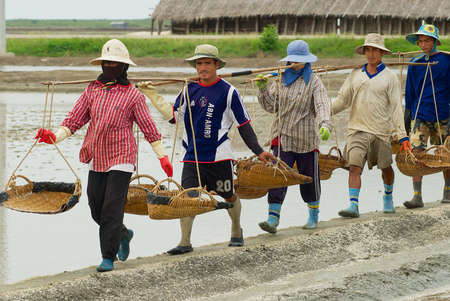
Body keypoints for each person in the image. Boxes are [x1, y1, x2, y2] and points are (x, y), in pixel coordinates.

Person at [35, 39, 173, 272]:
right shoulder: (92, 90)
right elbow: (74, 120)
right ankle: (123, 233)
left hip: (122, 156)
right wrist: (54, 136)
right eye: (106, 62)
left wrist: (162, 156)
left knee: (111, 207)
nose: (109, 65)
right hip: (97, 156)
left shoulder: (133, 95)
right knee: (96, 207)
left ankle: (107, 256)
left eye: (114, 63)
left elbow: (148, 127)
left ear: (123, 67)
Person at [138, 44, 275, 255]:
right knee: (187, 198)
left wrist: (258, 151)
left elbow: (244, 125)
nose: (202, 67)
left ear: (217, 65)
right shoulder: (188, 88)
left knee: (228, 195)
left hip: (219, 156)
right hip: (192, 156)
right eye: (199, 63)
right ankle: (185, 241)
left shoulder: (229, 92)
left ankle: (236, 230)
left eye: (207, 63)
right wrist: (152, 94)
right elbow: (173, 117)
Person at [331, 33, 411, 218]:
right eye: (368, 50)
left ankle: (388, 195)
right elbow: (343, 101)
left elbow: (396, 107)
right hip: (357, 129)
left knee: (386, 168)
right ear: (365, 52)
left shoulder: (390, 77)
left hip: (381, 131)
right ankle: (353, 205)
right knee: (354, 166)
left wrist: (402, 135)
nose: (371, 54)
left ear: (381, 53)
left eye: (375, 50)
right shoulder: (355, 75)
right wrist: (322, 112)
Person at [255, 40, 331, 232]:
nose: (294, 63)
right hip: (283, 137)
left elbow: (322, 104)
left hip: (306, 138)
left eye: (299, 60)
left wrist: (324, 124)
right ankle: (273, 218)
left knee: (309, 178)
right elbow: (272, 107)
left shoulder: (314, 81)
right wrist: (263, 88)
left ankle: (313, 215)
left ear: (306, 61)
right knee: (277, 175)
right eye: (292, 60)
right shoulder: (280, 79)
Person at [403, 24, 450, 208]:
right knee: (417, 154)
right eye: (421, 40)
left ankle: (447, 192)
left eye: (427, 40)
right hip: (420, 115)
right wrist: (407, 117)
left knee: (445, 154)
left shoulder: (446, 61)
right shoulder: (415, 63)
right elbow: (410, 92)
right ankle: (417, 196)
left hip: (444, 114)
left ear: (435, 42)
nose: (423, 43)